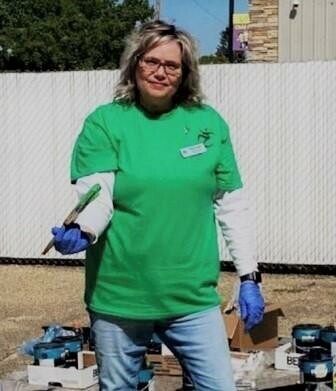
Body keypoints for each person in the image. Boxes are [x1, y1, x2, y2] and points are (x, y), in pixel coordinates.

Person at [51, 20, 265, 391]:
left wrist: (249, 277)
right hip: (120, 298)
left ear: (185, 74)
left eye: (172, 65)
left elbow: (231, 204)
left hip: (192, 297)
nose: (160, 72)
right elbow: (98, 196)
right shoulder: (106, 122)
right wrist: (82, 229)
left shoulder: (208, 124)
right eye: (151, 61)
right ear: (135, 63)